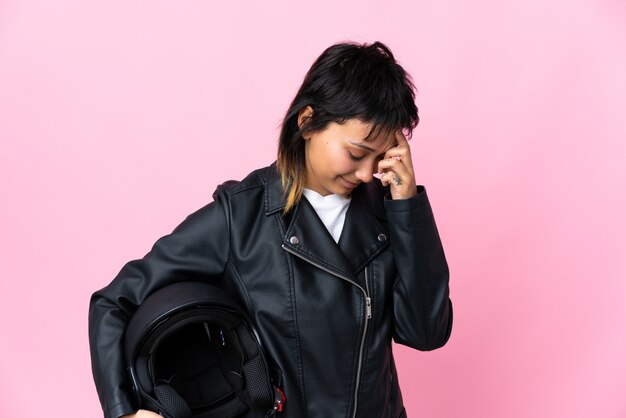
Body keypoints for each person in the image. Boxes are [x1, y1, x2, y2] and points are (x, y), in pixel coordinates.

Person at [89, 40, 453, 418]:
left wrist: (407, 206)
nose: (365, 174)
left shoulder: (387, 212)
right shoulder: (240, 218)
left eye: (379, 158)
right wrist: (124, 411)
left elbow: (425, 333)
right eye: (357, 153)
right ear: (308, 121)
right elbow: (113, 301)